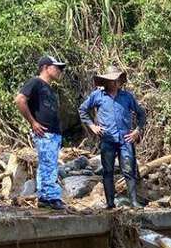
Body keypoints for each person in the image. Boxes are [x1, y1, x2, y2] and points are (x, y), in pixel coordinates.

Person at [79, 66, 147, 209]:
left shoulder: (127, 96)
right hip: (107, 139)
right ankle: (110, 204)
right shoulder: (98, 96)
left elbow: (141, 114)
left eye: (116, 80)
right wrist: (93, 127)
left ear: (120, 81)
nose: (114, 83)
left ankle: (134, 202)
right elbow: (83, 110)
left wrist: (137, 131)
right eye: (111, 80)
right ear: (106, 82)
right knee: (108, 171)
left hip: (125, 139)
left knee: (129, 170)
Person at [15, 55, 68, 210]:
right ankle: (50, 197)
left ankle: (45, 197)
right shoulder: (36, 82)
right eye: (57, 67)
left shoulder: (49, 88)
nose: (60, 71)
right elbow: (20, 100)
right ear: (46, 67)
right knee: (48, 164)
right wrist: (33, 122)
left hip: (53, 134)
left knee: (48, 164)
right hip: (44, 133)